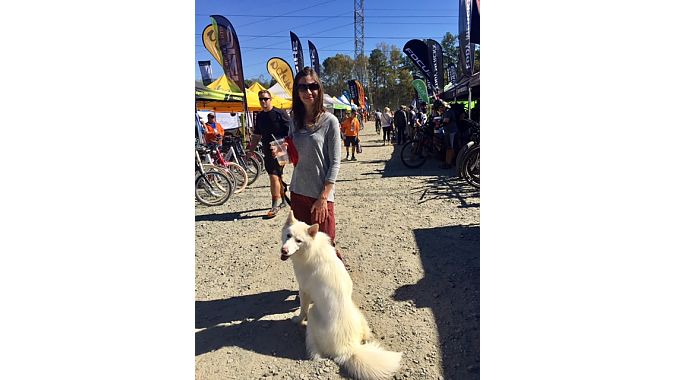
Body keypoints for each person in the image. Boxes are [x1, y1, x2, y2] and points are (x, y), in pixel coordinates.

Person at [276, 67, 342, 259]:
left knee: (326, 245)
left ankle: (337, 284)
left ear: (319, 89)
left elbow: (335, 162)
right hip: (298, 192)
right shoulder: (294, 120)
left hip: (321, 195)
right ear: (297, 91)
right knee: (302, 250)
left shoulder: (330, 121)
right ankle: (307, 287)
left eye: (313, 86)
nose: (308, 91)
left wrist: (323, 196)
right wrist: (281, 152)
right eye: (303, 87)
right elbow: (292, 155)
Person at [248, 90, 291, 218]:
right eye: (261, 99)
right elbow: (256, 135)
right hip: (267, 150)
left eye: (265, 99)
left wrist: (283, 144)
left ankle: (274, 205)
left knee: (274, 175)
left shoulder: (280, 113)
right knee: (277, 176)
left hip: (280, 148)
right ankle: (283, 200)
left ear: (270, 99)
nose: (263, 101)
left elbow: (291, 131)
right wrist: (250, 150)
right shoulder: (260, 116)